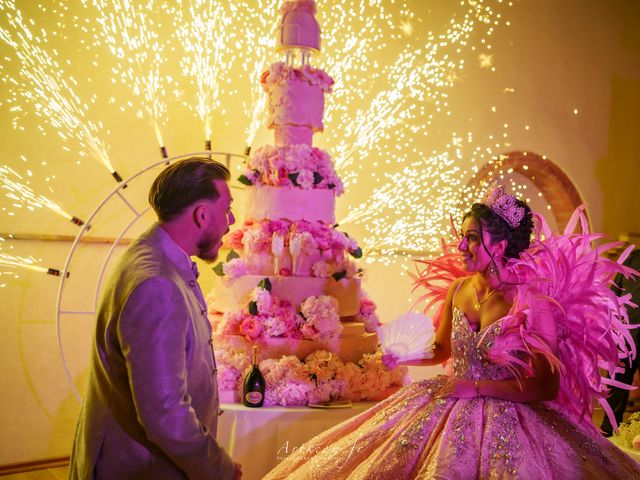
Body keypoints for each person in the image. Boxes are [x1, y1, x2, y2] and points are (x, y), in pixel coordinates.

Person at [264, 184, 640, 479]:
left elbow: (546, 387)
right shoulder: (460, 289)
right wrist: (404, 354)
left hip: (511, 418)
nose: (461, 245)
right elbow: (441, 349)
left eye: (472, 237)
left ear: (502, 243)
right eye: (464, 236)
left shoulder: (534, 304)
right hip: (444, 399)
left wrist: (476, 388)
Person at [69, 157, 242, 480]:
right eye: (227, 208)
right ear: (202, 215)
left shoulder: (151, 254)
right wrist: (219, 469)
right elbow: (165, 415)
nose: (231, 220)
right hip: (136, 467)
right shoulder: (157, 284)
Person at [601, 247, 640, 436]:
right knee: (616, 385)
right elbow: (614, 296)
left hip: (628, 335)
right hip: (625, 337)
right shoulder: (632, 258)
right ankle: (609, 432)